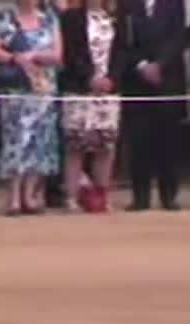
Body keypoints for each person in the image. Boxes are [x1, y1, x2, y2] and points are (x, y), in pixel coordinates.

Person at [0, 0, 63, 215]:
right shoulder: (5, 18)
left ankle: (30, 195)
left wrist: (35, 56)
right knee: (16, 140)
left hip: (43, 89)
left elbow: (58, 54)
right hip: (16, 90)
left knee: (40, 140)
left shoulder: (49, 19)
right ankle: (13, 197)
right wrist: (14, 58)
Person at [59, 0, 125, 212]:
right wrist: (90, 78)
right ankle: (71, 197)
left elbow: (122, 52)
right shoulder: (71, 18)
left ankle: (102, 196)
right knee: (76, 145)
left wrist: (111, 79)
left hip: (108, 91)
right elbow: (69, 54)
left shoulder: (116, 18)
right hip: (80, 89)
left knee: (105, 145)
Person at [120, 0, 185, 212]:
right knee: (139, 142)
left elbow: (178, 37)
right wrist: (142, 66)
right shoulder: (127, 5)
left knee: (169, 141)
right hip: (137, 84)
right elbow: (123, 42)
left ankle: (169, 196)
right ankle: (140, 197)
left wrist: (160, 65)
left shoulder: (174, 4)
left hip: (168, 81)